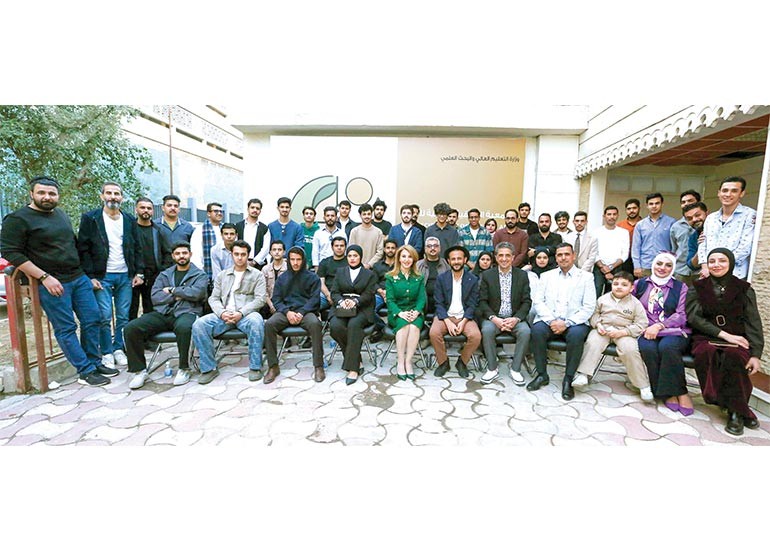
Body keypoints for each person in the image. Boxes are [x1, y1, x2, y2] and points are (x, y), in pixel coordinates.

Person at [0, 176, 116, 386]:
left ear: (58, 196)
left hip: (78, 278)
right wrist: (44, 277)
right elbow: (11, 252)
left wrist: (86, 275)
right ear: (31, 194)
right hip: (51, 282)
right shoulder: (17, 219)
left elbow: (72, 244)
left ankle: (94, 362)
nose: (47, 197)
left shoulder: (60, 214)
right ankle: (85, 371)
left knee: (93, 319)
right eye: (41, 193)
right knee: (66, 327)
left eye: (52, 193)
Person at [686, 248, 764, 435]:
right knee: (706, 353)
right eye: (712, 261)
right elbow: (694, 318)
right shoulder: (698, 287)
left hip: (738, 339)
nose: (716, 265)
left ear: (731, 263)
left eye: (722, 261)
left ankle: (736, 412)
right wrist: (724, 335)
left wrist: (756, 354)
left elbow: (753, 322)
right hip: (706, 337)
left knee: (734, 356)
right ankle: (737, 408)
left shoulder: (744, 289)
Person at [77, 182, 144, 370]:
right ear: (102, 196)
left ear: (122, 197)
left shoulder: (129, 219)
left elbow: (138, 247)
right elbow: (83, 249)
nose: (113, 197)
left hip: (125, 275)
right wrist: (90, 276)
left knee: (123, 315)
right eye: (109, 193)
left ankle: (119, 349)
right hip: (102, 275)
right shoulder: (91, 218)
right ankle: (106, 352)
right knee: (104, 316)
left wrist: (139, 272)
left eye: (116, 193)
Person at [125, 242, 208, 389]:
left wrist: (172, 290)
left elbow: (197, 293)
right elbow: (156, 296)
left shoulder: (199, 275)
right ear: (173, 256)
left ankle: (184, 368)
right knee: (131, 328)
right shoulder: (165, 274)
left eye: (184, 253)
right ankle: (139, 370)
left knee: (185, 327)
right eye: (178, 253)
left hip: (187, 311)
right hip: (163, 312)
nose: (181, 256)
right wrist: (179, 295)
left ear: (190, 254)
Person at [192, 239, 267, 384]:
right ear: (231, 254)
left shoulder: (257, 275)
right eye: (236, 254)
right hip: (224, 314)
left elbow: (260, 299)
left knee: (257, 322)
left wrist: (241, 313)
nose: (240, 257)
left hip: (246, 315)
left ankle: (255, 367)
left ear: (248, 255)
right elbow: (213, 298)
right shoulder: (222, 275)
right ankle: (209, 368)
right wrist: (222, 313)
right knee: (199, 324)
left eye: (243, 254)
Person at [529, 243, 596, 399]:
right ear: (556, 257)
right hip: (550, 320)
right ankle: (542, 374)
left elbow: (589, 306)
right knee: (537, 330)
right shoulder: (547, 276)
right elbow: (538, 301)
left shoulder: (586, 277)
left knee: (576, 335)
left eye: (567, 254)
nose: (563, 258)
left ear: (573, 256)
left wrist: (566, 323)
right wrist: (551, 320)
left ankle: (568, 379)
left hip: (574, 322)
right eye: (559, 255)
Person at [571, 272, 651, 401]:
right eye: (616, 284)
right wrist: (598, 324)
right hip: (603, 329)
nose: (619, 287)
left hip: (624, 332)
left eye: (624, 285)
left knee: (630, 350)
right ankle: (583, 374)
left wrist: (625, 332)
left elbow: (642, 323)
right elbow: (594, 314)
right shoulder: (603, 299)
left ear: (631, 288)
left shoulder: (635, 304)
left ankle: (642, 385)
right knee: (592, 343)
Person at [633, 252, 692, 410]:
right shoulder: (640, 284)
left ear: (673, 268)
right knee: (648, 348)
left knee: (667, 347)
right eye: (659, 263)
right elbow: (630, 305)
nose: (662, 268)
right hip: (646, 330)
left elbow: (682, 314)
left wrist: (660, 325)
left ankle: (680, 392)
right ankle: (665, 393)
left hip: (673, 330)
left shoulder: (681, 287)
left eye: (668, 265)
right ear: (653, 265)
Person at [263, 246, 324, 384]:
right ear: (288, 260)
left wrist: (302, 312)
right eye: (292, 259)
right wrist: (287, 312)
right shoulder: (282, 278)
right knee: (269, 325)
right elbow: (276, 299)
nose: (295, 263)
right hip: (286, 312)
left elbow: (315, 299)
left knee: (315, 324)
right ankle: (273, 366)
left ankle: (318, 366)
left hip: (306, 312)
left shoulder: (312, 277)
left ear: (303, 260)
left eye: (298, 259)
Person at [477, 242, 532, 385]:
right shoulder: (487, 275)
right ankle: (492, 368)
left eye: (507, 255)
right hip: (494, 318)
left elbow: (527, 301)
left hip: (514, 318)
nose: (504, 259)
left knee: (525, 331)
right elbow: (482, 301)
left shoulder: (522, 275)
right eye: (500, 255)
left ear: (513, 257)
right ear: (496, 257)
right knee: (487, 330)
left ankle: (515, 369)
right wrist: (494, 318)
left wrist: (516, 319)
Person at [329, 245, 378, 385]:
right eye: (350, 256)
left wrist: (355, 301)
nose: (352, 258)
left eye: (355, 256)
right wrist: (341, 301)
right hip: (342, 307)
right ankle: (357, 359)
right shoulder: (340, 272)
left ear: (360, 257)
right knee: (335, 326)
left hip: (362, 308)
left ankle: (353, 368)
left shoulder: (369, 274)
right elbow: (334, 292)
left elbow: (369, 294)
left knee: (354, 325)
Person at [430, 245, 481, 378]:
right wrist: (448, 322)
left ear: (465, 260)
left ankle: (462, 362)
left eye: (459, 258)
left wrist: (463, 322)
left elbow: (473, 304)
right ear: (448, 261)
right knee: (434, 333)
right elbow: (439, 303)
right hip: (445, 316)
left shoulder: (472, 279)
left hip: (465, 317)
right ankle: (443, 362)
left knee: (476, 336)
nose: (456, 261)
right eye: (453, 259)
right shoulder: (442, 278)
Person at [697, 176, 756, 280]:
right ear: (719, 193)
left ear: (741, 193)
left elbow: (745, 248)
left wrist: (719, 266)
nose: (728, 194)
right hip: (709, 274)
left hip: (735, 275)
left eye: (734, 191)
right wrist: (705, 266)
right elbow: (703, 244)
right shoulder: (711, 218)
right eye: (725, 190)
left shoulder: (749, 215)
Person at [385, 245, 427, 381]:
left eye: (410, 257)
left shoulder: (418, 277)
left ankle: (408, 362)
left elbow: (422, 298)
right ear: (399, 258)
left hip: (415, 311)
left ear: (414, 259)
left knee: (413, 327)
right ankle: (400, 361)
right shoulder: (390, 277)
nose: (406, 259)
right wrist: (399, 313)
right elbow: (390, 300)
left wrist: (417, 311)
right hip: (397, 313)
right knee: (404, 326)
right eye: (403, 256)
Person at [130, 197, 164, 320]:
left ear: (153, 211)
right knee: (131, 310)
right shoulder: (129, 228)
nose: (146, 210)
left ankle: (148, 333)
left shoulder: (158, 230)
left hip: (153, 276)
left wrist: (161, 271)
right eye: (142, 207)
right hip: (133, 276)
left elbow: (165, 252)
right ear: (136, 209)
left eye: (149, 208)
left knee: (150, 310)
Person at [631, 192, 675, 278]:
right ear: (647, 205)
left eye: (657, 203)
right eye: (651, 204)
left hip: (664, 266)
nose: (654, 206)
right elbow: (636, 247)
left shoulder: (671, 222)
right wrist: (636, 266)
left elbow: (674, 246)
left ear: (662, 204)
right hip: (645, 266)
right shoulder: (640, 225)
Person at [593, 205, 630, 297]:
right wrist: (603, 268)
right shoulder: (596, 232)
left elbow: (625, 254)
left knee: (614, 294)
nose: (611, 217)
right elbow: (594, 252)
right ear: (604, 216)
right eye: (609, 214)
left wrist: (611, 267)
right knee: (596, 292)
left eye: (614, 214)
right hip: (599, 267)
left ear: (617, 216)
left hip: (616, 267)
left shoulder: (624, 232)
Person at [156, 194, 194, 268]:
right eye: (169, 205)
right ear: (163, 208)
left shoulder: (187, 227)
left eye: (176, 206)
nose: (173, 208)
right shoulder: (155, 225)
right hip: (161, 268)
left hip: (183, 267)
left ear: (179, 209)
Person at [670, 190, 701, 282]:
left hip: (700, 271)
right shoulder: (675, 226)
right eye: (683, 202)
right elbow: (674, 249)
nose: (686, 204)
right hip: (680, 271)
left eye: (690, 201)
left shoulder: (707, 223)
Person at [191, 202, 224, 283]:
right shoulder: (200, 230)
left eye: (221, 211)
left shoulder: (225, 229)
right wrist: (200, 273)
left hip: (224, 271)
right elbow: (196, 254)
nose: (219, 213)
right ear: (208, 213)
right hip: (206, 271)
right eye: (216, 211)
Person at [416, 236, 450, 315]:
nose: (432, 248)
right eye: (429, 246)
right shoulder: (418, 265)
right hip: (422, 302)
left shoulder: (447, 265)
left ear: (440, 248)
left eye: (435, 246)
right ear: (425, 249)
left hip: (442, 303)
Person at [235, 198, 270, 269]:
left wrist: (254, 262)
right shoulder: (238, 226)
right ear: (248, 209)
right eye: (252, 207)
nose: (255, 210)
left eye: (257, 208)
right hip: (240, 263)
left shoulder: (264, 228)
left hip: (258, 265)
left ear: (260, 211)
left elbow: (266, 248)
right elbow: (234, 244)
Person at [348, 202, 384, 269]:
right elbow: (351, 250)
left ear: (372, 214)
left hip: (373, 269)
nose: (367, 216)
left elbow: (380, 252)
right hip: (356, 267)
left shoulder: (378, 232)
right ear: (360, 215)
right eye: (364, 214)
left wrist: (369, 264)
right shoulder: (354, 231)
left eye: (368, 214)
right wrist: (359, 264)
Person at [317, 236, 348, 310]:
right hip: (327, 294)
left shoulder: (350, 262)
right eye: (336, 246)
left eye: (342, 246)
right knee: (313, 302)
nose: (339, 248)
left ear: (345, 247)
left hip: (345, 295)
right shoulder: (325, 262)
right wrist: (328, 295)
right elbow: (321, 282)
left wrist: (338, 298)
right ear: (332, 247)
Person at [683, 202, 709, 285]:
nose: (694, 219)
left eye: (697, 215)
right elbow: (691, 265)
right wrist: (701, 248)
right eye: (689, 218)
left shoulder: (721, 229)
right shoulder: (693, 237)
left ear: (707, 213)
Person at [261, 239, 288, 318]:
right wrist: (271, 305)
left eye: (279, 250)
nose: (277, 252)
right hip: (269, 301)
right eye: (274, 250)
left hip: (285, 302)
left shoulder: (289, 269)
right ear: (270, 252)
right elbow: (263, 290)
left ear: (284, 252)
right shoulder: (265, 269)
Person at [617, 198, 641, 273]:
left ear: (639, 208)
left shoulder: (644, 224)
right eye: (629, 209)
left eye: (634, 208)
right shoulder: (620, 226)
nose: (631, 211)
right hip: (624, 260)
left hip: (640, 259)